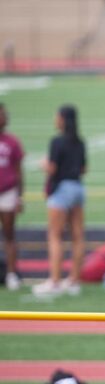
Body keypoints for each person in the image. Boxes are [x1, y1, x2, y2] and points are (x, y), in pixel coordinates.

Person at [32, 105, 87, 296]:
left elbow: (52, 168)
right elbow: (83, 169)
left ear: (62, 119)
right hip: (78, 188)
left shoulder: (57, 141)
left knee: (55, 235)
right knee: (78, 236)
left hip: (62, 189)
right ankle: (73, 280)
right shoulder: (80, 141)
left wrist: (42, 164)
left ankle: (54, 280)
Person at [0, 102, 24, 290]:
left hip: (7, 192)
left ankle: (11, 273)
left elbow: (18, 170)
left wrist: (19, 196)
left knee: (9, 234)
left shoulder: (12, 141)